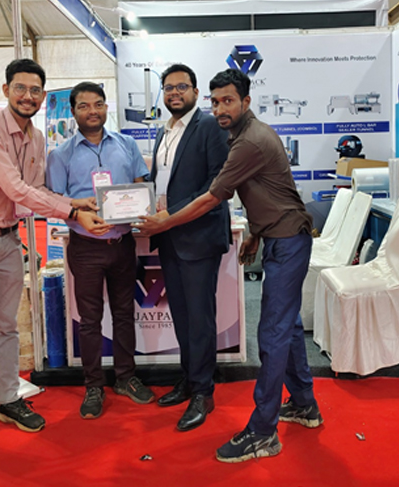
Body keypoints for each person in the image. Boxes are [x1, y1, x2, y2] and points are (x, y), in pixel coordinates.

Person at [137, 68, 323, 463]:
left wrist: (164, 223)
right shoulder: (239, 135)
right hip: (278, 236)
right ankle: (305, 404)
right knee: (287, 328)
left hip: (288, 242)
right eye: (216, 101)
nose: (221, 108)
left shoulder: (249, 140)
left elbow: (211, 197)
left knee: (272, 334)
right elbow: (268, 191)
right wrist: (255, 232)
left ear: (246, 102)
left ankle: (262, 432)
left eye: (229, 101)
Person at [0, 59, 108, 464]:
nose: (28, 96)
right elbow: (14, 187)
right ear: (6, 90)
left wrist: (76, 202)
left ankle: (9, 400)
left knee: (7, 328)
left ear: (43, 96)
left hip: (6, 240)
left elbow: (33, 191)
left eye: (35, 90)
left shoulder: (36, 139)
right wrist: (72, 212)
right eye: (20, 88)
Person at [46, 81, 155, 421]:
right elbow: (54, 200)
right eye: (84, 106)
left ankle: (126, 377)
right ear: (73, 111)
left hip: (122, 244)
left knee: (124, 314)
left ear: (107, 107)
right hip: (85, 247)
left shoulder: (126, 144)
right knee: (90, 320)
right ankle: (93, 385)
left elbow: (140, 184)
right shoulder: (60, 155)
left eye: (98, 104)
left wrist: (138, 206)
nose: (92, 111)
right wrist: (79, 210)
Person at [149, 64, 231, 431]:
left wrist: (170, 216)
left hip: (197, 237)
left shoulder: (210, 126)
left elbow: (216, 186)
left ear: (196, 93)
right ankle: (189, 378)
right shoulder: (164, 132)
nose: (174, 93)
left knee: (199, 318)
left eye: (182, 87)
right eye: (168, 88)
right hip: (169, 238)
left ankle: (203, 392)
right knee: (181, 316)